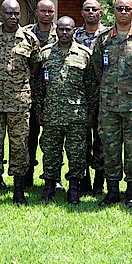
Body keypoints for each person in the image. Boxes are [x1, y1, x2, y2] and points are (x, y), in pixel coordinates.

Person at [91, 0, 132, 206]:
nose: (124, 12)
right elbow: (97, 68)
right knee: (110, 149)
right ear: (114, 11)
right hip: (109, 106)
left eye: (128, 9)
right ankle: (112, 192)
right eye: (120, 8)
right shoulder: (103, 39)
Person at [0, 0, 41, 204]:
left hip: (19, 103)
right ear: (1, 14)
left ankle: (19, 191)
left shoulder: (29, 39)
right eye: (8, 13)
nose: (13, 17)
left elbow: (35, 65)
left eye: (16, 14)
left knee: (19, 146)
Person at [39, 16, 96, 204]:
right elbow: (39, 87)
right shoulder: (45, 54)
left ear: (74, 30)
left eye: (68, 29)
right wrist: (39, 110)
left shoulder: (84, 54)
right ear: (56, 30)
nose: (64, 32)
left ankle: (74, 188)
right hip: (51, 113)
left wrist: (90, 113)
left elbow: (91, 87)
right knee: (50, 152)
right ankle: (49, 186)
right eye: (61, 29)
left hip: (76, 115)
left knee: (77, 153)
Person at [74, 0, 108, 196]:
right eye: (87, 9)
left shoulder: (108, 35)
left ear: (100, 12)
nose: (91, 12)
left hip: (103, 94)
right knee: (82, 138)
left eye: (94, 9)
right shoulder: (74, 35)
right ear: (82, 13)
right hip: (81, 94)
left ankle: (99, 182)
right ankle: (84, 179)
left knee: (102, 138)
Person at [24, 0, 57, 188]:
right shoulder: (26, 34)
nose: (47, 14)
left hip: (54, 95)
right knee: (28, 136)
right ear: (36, 12)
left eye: (50, 11)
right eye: (43, 11)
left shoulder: (62, 33)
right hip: (30, 94)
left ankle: (53, 177)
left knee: (53, 139)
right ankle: (27, 175)